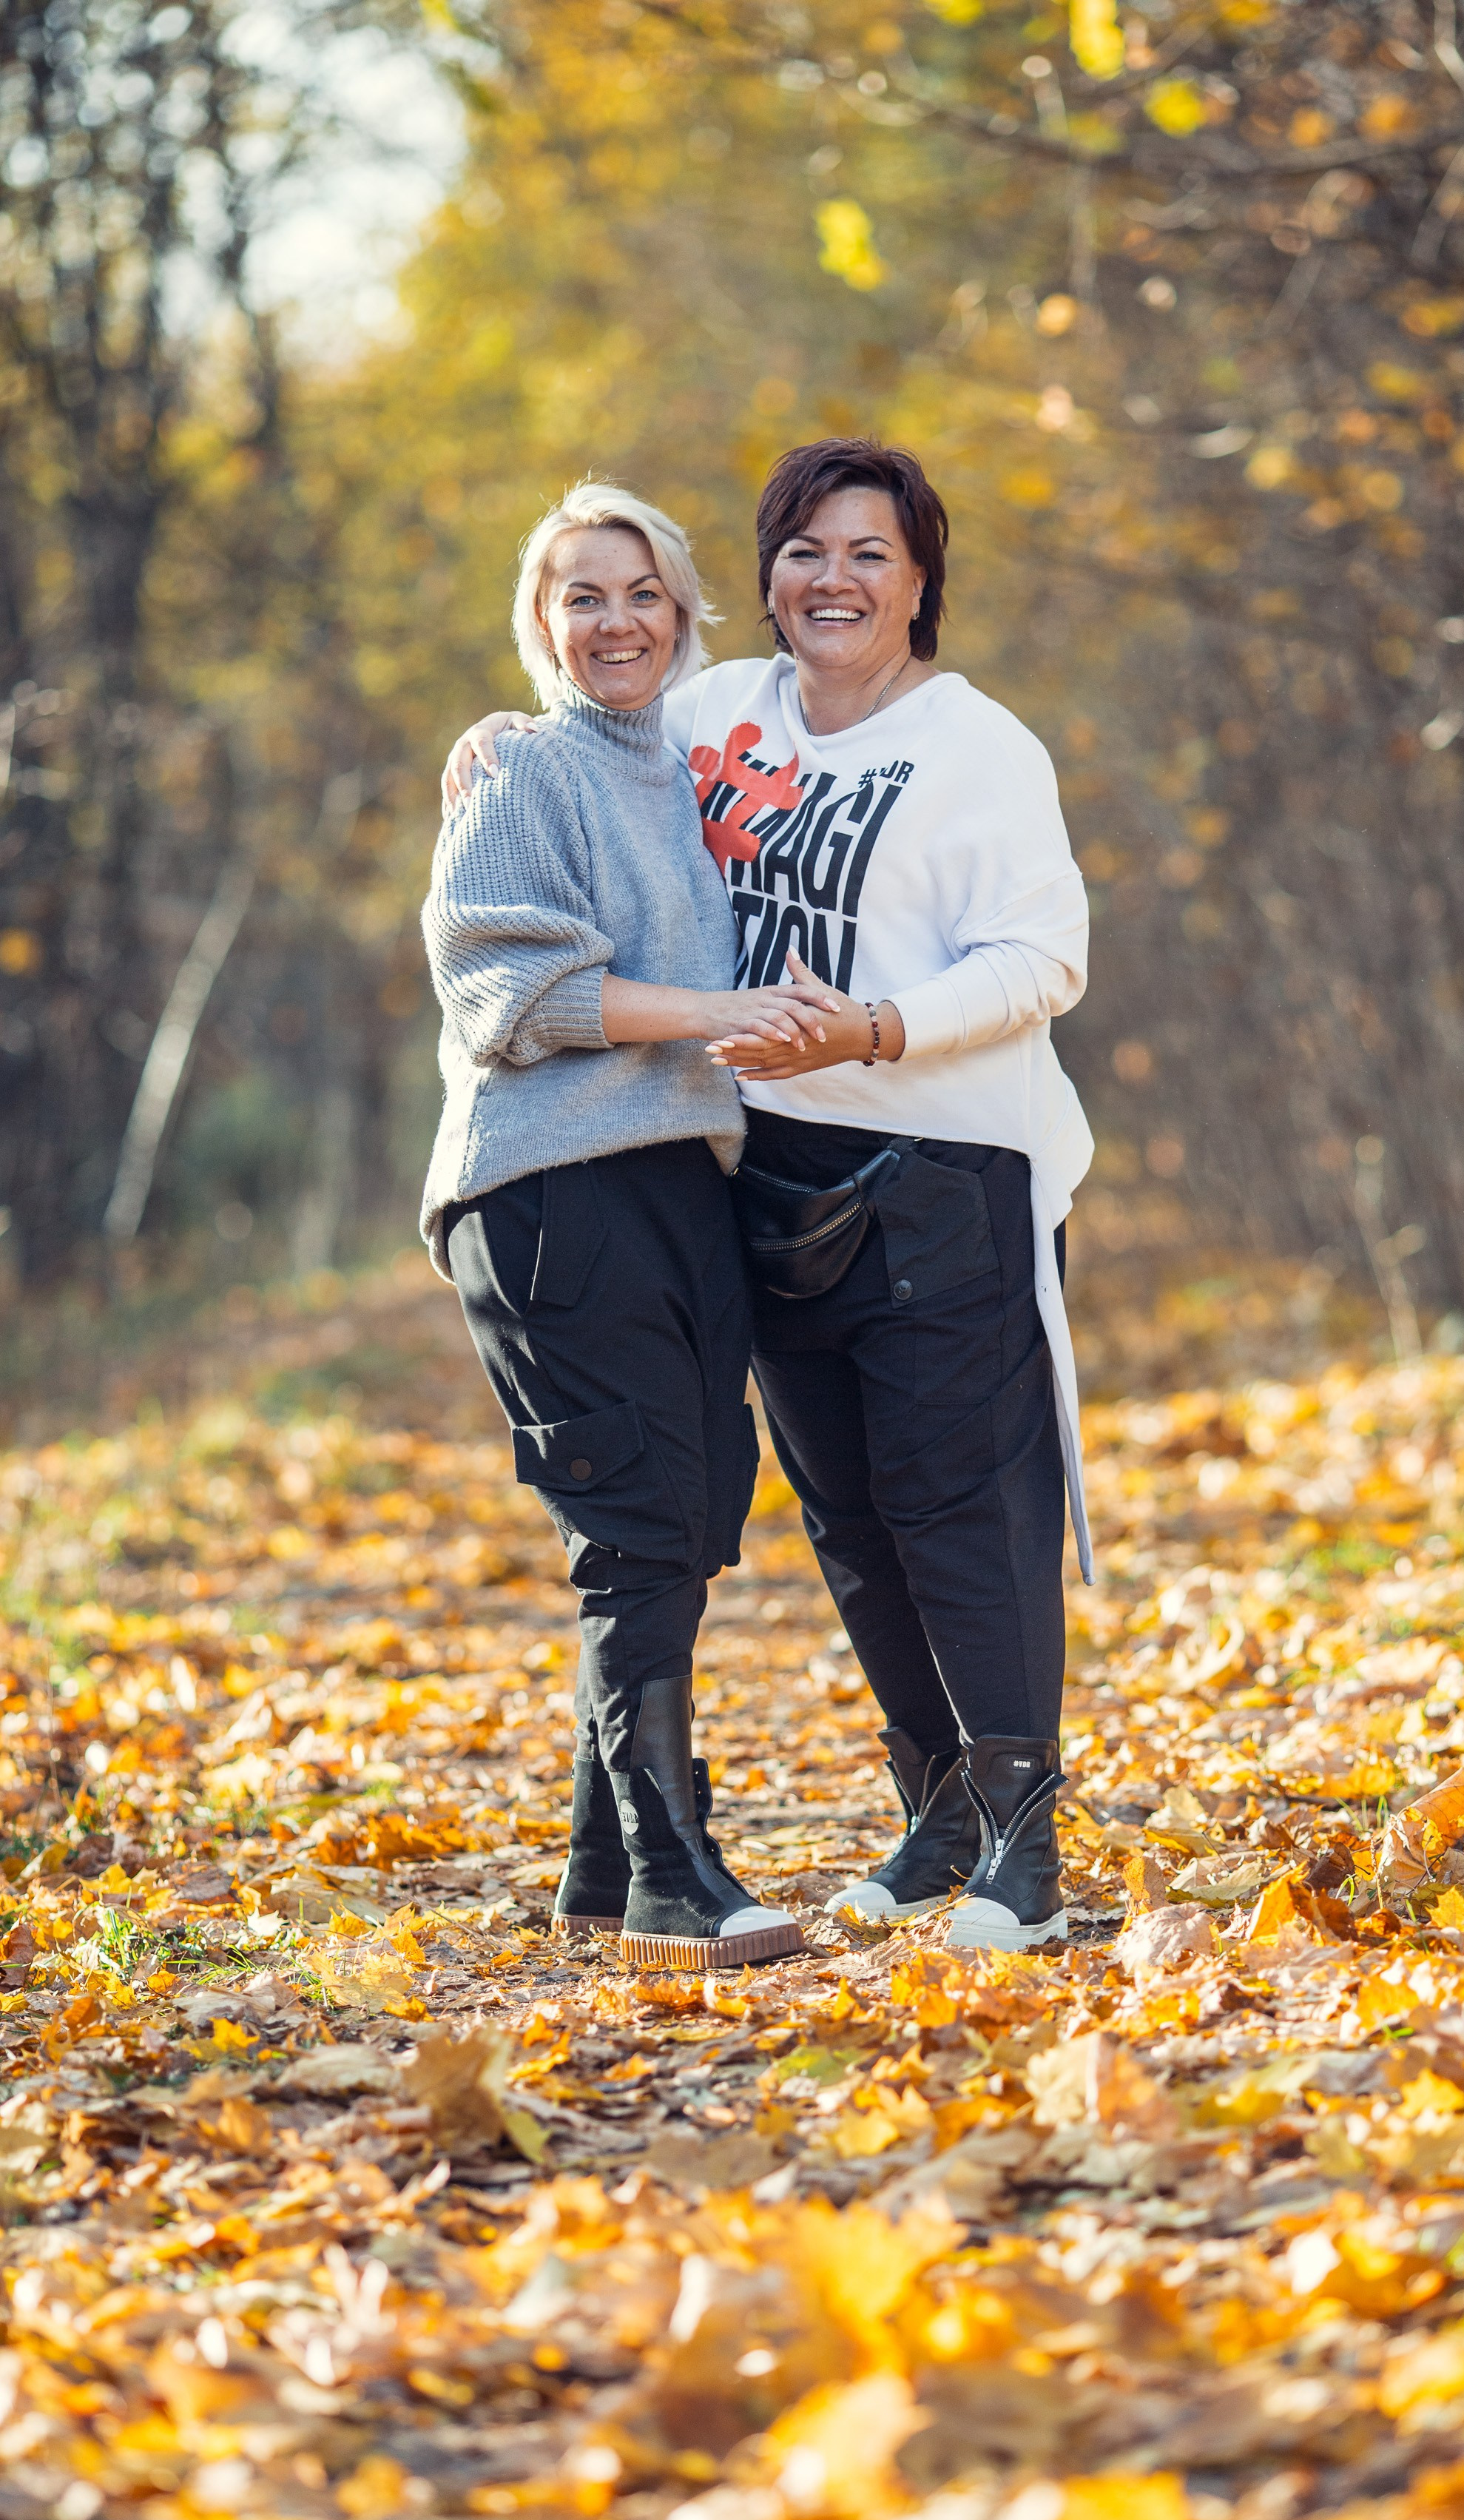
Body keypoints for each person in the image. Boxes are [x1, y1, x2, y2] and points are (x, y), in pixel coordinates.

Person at [442, 439, 1092, 1950]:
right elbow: (580, 715)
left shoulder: (978, 743)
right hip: (772, 1167)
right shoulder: (722, 714)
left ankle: (1026, 1842)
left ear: (923, 577)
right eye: (806, 551)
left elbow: (1044, 960)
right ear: (763, 580)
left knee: (956, 1505)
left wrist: (875, 1028)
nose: (835, 579)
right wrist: (488, 734)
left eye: (870, 553)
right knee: (849, 1519)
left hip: (947, 1163)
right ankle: (936, 1810)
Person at [422, 479, 835, 1970]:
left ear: (684, 613)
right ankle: (675, 1864)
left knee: (688, 1507)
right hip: (544, 1182)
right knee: (636, 1516)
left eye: (641, 592)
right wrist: (721, 1011)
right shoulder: (518, 771)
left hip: (683, 1179)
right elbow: (507, 998)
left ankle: (603, 1870)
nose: (615, 620)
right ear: (542, 624)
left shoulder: (712, 770)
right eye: (580, 596)